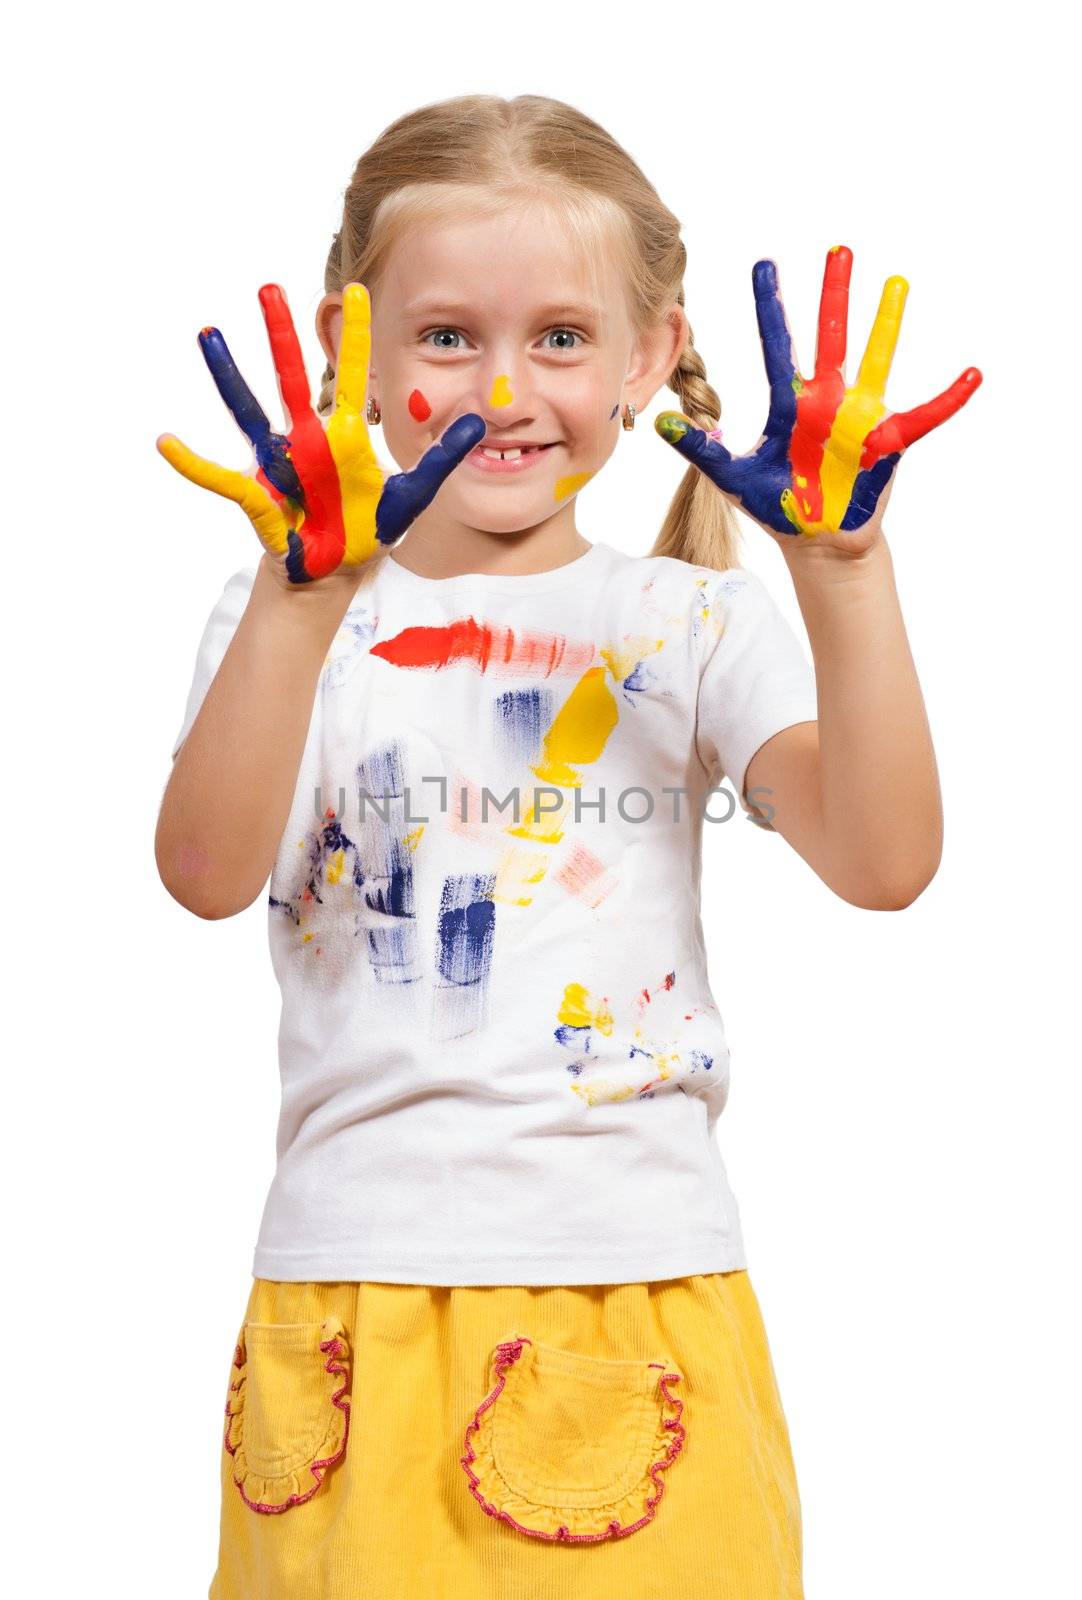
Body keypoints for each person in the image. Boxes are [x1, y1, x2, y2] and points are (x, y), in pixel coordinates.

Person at [155, 93, 980, 1600]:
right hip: (349, 1300)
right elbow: (207, 875)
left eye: (558, 337)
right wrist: (293, 608)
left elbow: (883, 859)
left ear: (650, 354)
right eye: (447, 336)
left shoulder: (685, 617)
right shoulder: (290, 611)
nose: (505, 388)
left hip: (638, 1288)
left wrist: (843, 568)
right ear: (357, 345)